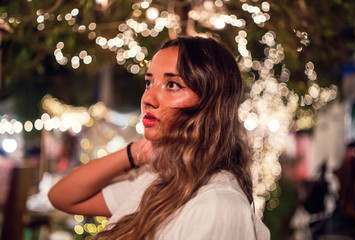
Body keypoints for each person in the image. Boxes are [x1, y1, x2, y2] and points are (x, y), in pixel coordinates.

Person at [48, 36, 270, 240]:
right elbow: (62, 196)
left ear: (210, 103)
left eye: (172, 85)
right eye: (148, 82)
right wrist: (136, 152)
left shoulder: (218, 205)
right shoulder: (159, 181)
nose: (148, 98)